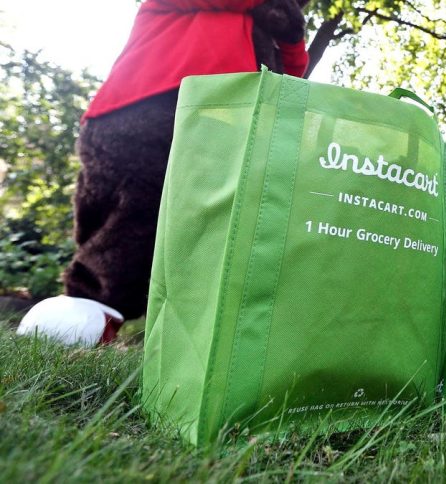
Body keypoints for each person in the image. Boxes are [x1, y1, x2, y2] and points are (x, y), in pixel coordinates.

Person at [17, 0, 309, 346]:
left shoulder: (264, 29)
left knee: (204, 230)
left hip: (220, 125)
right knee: (126, 221)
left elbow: (288, 82)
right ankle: (82, 318)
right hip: (143, 112)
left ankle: (178, 331)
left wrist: (292, 36)